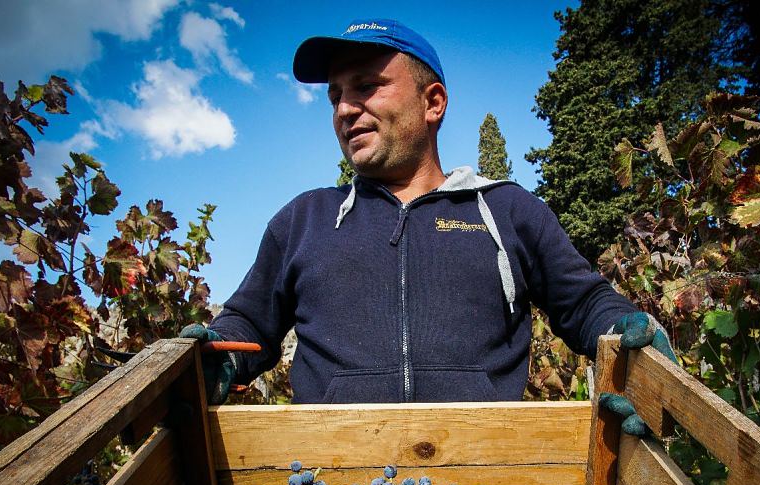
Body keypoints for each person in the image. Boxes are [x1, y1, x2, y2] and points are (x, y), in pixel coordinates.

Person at [181, 19, 672, 430]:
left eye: (367, 87)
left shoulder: (507, 211)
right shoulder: (304, 220)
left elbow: (584, 303)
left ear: (432, 102)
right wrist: (219, 355)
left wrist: (631, 337)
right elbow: (248, 323)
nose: (345, 110)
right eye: (335, 97)